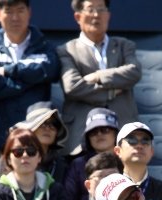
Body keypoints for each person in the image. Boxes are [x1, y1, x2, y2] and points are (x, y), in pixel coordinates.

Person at [0, 0, 60, 180]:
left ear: (29, 12)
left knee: (39, 194)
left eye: (20, 10)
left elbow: (51, 70)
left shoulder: (45, 48)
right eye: (9, 11)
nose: (15, 17)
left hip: (37, 144)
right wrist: (31, 80)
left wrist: (9, 70)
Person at [56, 0, 141, 155]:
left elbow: (134, 72)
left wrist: (98, 76)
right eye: (90, 9)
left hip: (123, 132)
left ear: (108, 15)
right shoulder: (67, 50)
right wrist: (110, 92)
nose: (96, 15)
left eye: (101, 9)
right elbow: (72, 86)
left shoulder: (124, 45)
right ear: (78, 16)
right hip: (82, 136)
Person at [0, 102, 69, 185]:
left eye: (54, 124)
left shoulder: (59, 163)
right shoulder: (13, 155)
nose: (48, 128)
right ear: (30, 129)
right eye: (43, 123)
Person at [64, 107, 119, 200]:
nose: (99, 134)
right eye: (93, 131)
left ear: (116, 133)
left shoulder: (127, 161)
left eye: (105, 130)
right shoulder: (77, 165)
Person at [114, 122, 162, 200]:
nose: (139, 146)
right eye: (132, 140)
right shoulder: (111, 189)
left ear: (152, 152)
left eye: (145, 141)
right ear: (118, 151)